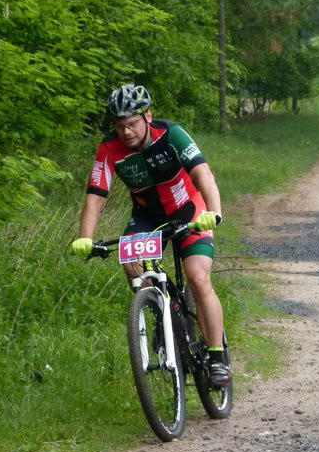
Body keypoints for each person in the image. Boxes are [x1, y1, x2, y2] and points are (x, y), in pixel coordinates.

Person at [71, 83, 231, 388]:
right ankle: (162, 310)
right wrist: (85, 238)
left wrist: (214, 211)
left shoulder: (171, 134)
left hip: (189, 209)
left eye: (132, 123)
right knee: (131, 265)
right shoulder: (109, 149)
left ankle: (216, 356)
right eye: (119, 126)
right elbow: (96, 196)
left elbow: (203, 173)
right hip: (147, 216)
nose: (126, 132)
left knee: (197, 277)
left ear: (147, 116)